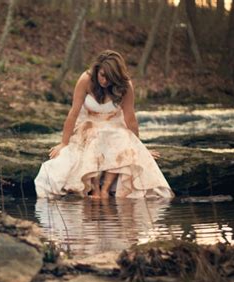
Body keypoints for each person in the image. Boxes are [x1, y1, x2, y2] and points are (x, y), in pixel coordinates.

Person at [34, 50, 174, 199]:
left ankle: (105, 189)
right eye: (102, 75)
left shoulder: (125, 85)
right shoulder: (86, 80)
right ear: (96, 70)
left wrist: (139, 148)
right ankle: (94, 189)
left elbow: (130, 118)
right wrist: (63, 143)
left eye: (110, 78)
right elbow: (73, 113)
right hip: (88, 123)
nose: (105, 81)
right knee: (94, 136)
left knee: (119, 137)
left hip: (114, 125)